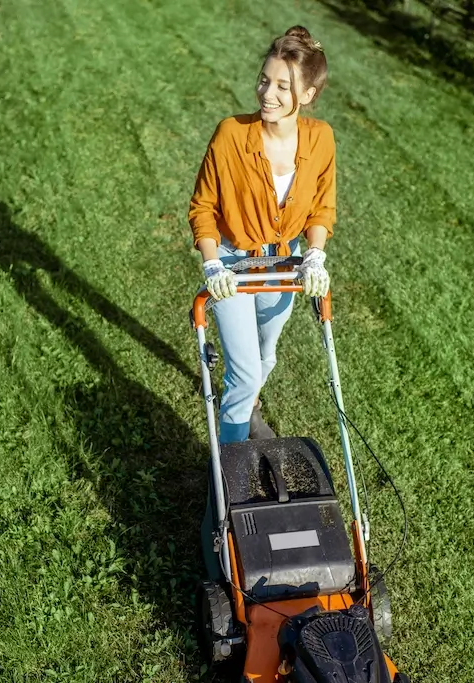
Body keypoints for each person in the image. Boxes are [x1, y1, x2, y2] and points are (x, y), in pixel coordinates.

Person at [188, 25, 336, 444]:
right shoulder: (231, 135)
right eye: (264, 79)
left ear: (307, 95)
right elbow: (202, 206)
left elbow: (322, 207)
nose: (267, 93)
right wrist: (212, 262)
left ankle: (249, 404)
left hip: (284, 261)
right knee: (245, 373)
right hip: (232, 264)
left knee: (265, 356)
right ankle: (228, 487)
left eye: (283, 86)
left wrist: (315, 254)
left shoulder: (321, 139)